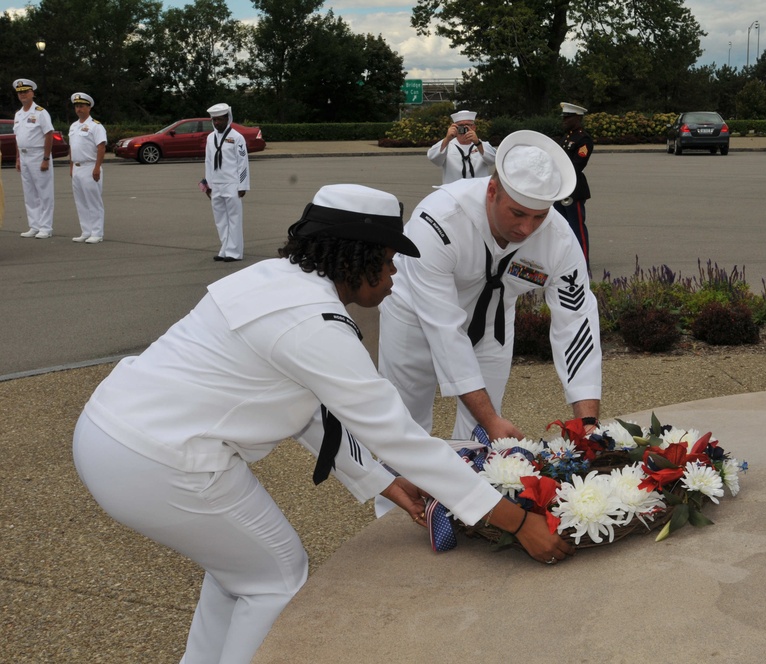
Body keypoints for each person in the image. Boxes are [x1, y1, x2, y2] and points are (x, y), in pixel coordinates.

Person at [73, 184, 572, 664]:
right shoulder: (316, 322)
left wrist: (381, 480)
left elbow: (310, 410)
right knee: (276, 578)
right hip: (163, 463)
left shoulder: (271, 280)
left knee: (239, 572)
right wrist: (518, 521)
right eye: (388, 258)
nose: (395, 273)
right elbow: (398, 436)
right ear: (357, 257)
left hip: (111, 434)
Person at [379, 130, 602, 443]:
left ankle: (470, 490)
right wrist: (490, 419)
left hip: (492, 322)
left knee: (479, 437)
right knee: (405, 425)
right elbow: (444, 328)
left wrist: (588, 420)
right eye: (517, 213)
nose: (527, 229)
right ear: (492, 190)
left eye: (539, 216)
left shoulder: (559, 238)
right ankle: (396, 492)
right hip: (413, 313)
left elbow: (577, 322)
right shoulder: (439, 220)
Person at [204, 102, 248, 262]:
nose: (217, 123)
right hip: (215, 184)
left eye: (220, 120)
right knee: (220, 220)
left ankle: (234, 252)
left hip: (232, 184)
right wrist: (207, 185)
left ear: (228, 118)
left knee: (234, 219)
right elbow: (208, 162)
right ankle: (224, 249)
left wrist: (243, 185)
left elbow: (243, 162)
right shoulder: (210, 138)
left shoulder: (237, 137)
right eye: (214, 120)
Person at [552, 102, 594, 266]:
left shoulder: (583, 140)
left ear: (577, 118)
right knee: (561, 227)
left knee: (577, 227)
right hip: (560, 188)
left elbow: (577, 165)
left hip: (573, 189)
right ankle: (565, 260)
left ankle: (583, 261)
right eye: (564, 117)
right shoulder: (567, 137)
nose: (564, 120)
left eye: (567, 117)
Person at [12, 78, 55, 239]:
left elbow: (49, 134)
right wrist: (17, 158)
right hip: (23, 156)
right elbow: (19, 138)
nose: (23, 95)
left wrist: (46, 158)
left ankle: (46, 227)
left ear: (32, 93)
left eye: (25, 92)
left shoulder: (40, 112)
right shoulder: (18, 114)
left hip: (38, 155)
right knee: (29, 193)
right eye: (20, 92)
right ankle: (34, 225)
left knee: (44, 192)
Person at [67, 92, 107, 243]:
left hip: (90, 167)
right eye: (77, 106)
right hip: (77, 167)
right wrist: (71, 166)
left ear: (89, 107)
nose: (79, 109)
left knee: (93, 201)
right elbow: (72, 147)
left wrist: (97, 167)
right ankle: (86, 231)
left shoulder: (95, 126)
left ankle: (97, 233)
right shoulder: (74, 126)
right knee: (81, 201)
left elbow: (101, 147)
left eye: (82, 106)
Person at [426, 109, 496, 184]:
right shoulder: (447, 145)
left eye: (467, 125)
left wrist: (477, 143)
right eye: (460, 126)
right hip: (453, 191)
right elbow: (433, 158)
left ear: (474, 128)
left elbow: (492, 160)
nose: (464, 129)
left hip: (478, 191)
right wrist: (447, 139)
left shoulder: (482, 145)